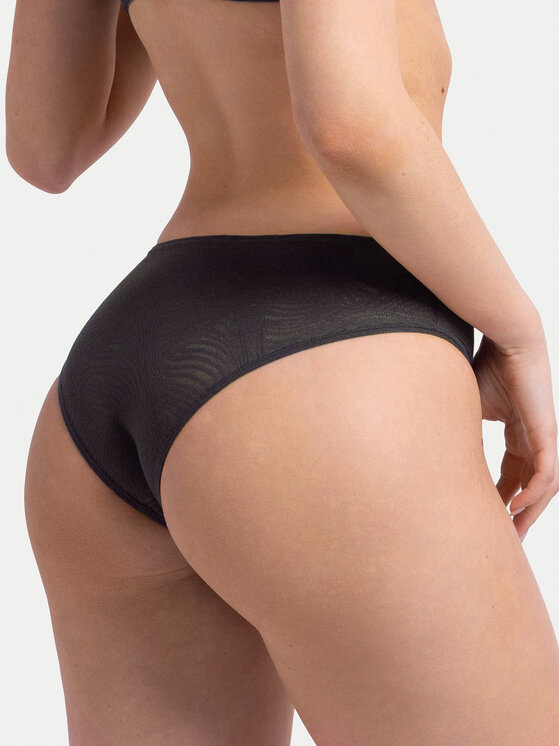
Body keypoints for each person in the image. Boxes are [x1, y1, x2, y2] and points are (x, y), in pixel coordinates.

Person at [6, 0, 558, 743]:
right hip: (322, 367)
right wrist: (518, 333)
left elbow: (44, 147)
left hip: (125, 359)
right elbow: (351, 124)